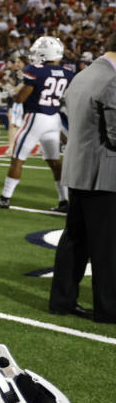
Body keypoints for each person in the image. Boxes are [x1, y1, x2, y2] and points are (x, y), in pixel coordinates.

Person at [49, 35, 116, 324]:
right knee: (107, 247)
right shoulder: (112, 80)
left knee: (74, 241)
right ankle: (109, 308)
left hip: (77, 170)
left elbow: (66, 120)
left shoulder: (83, 75)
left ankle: (62, 301)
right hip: (104, 174)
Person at [0, 36, 73, 211]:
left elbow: (21, 98)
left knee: (17, 159)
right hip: (54, 119)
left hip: (36, 118)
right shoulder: (66, 72)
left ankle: (5, 197)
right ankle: (64, 200)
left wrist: (12, 91)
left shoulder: (36, 70)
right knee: (55, 162)